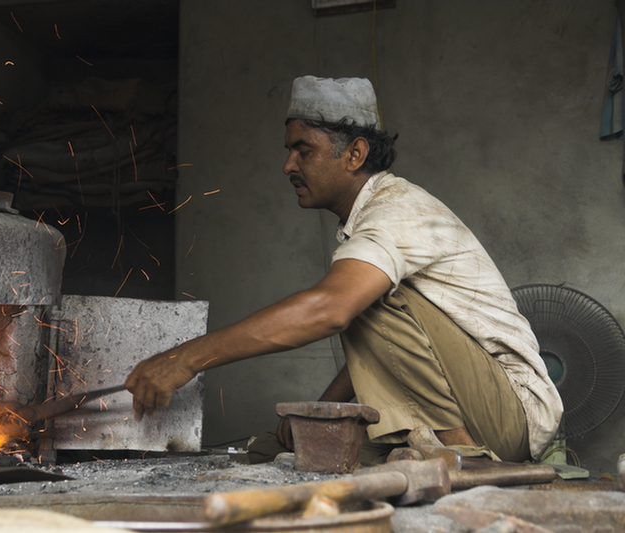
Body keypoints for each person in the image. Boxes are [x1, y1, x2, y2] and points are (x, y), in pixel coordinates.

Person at [125, 76, 563, 464]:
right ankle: (438, 446)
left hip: (511, 415)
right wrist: (317, 414)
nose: (288, 166)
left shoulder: (397, 210)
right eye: (289, 151)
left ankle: (462, 451)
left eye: (304, 150)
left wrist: (187, 358)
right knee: (289, 453)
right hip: (479, 406)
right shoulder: (368, 221)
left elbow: (334, 309)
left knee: (357, 296)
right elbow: (393, 347)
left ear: (355, 154)